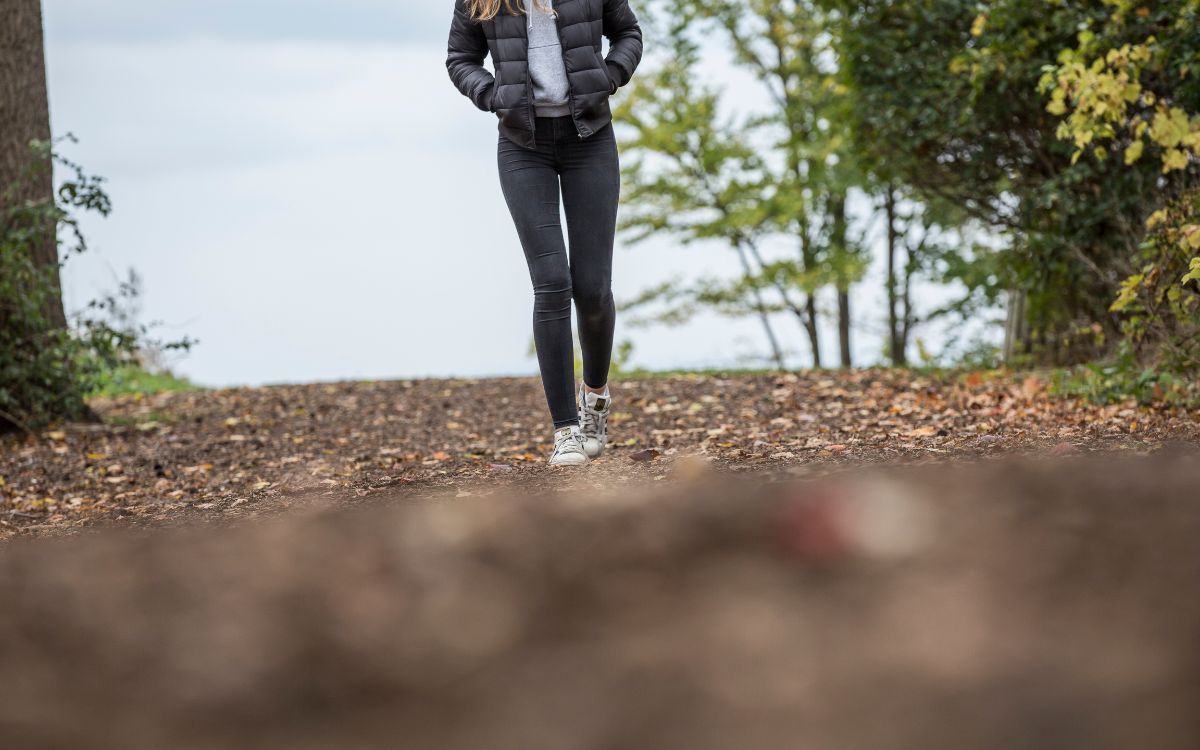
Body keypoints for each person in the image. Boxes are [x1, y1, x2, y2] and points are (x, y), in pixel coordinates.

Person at [446, 0, 642, 466]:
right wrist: (493, 96)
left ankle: (594, 399)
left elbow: (628, 35)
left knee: (593, 290)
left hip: (590, 139)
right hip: (522, 145)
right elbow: (460, 58)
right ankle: (566, 432)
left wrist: (609, 77)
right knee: (552, 282)